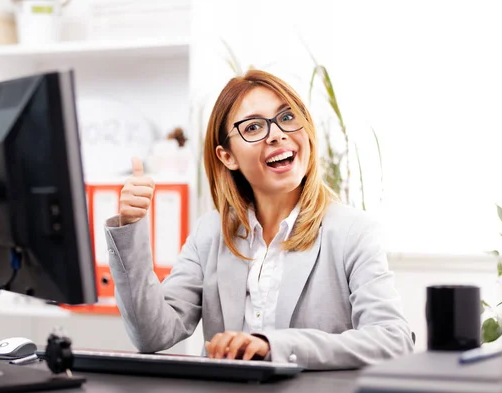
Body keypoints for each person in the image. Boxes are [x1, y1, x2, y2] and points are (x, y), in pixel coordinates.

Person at [104, 70, 414, 370]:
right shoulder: (210, 234)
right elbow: (153, 334)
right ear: (228, 157)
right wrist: (130, 227)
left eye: (288, 117)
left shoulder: (352, 232)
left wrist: (274, 347)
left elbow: (392, 339)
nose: (278, 134)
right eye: (253, 127)